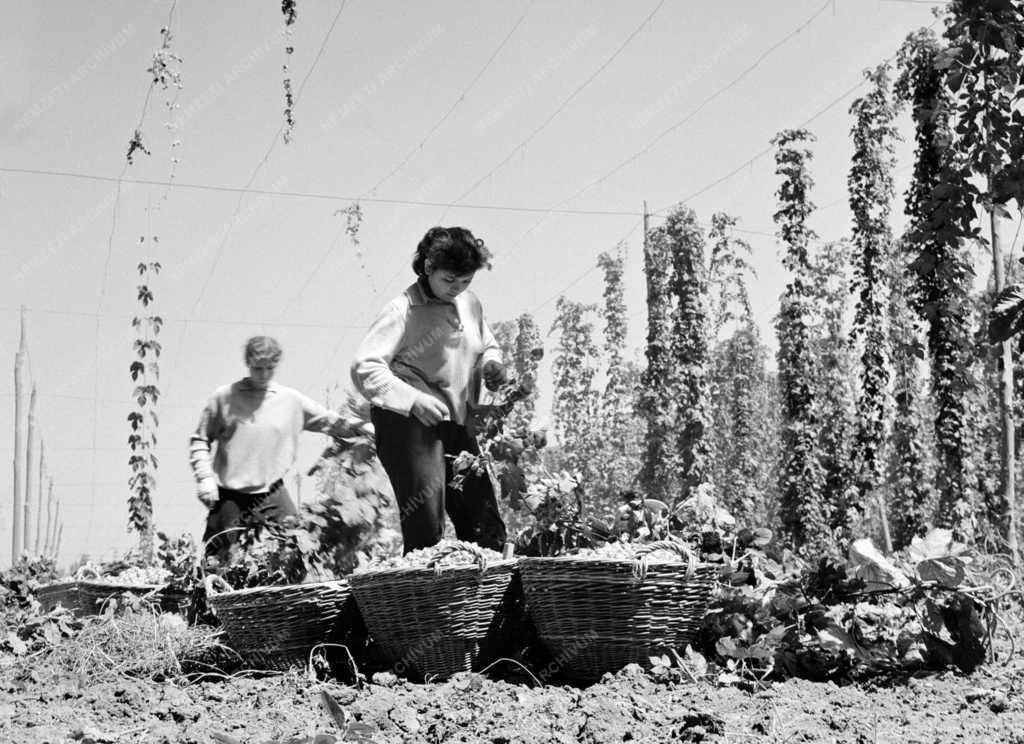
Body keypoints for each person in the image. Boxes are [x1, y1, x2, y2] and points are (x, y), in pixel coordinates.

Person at [351, 226, 508, 554]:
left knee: (484, 522)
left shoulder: (469, 304)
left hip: (457, 422)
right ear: (427, 268)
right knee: (426, 523)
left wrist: (492, 363)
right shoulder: (403, 310)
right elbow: (365, 367)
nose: (457, 289)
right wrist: (413, 400)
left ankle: (488, 599)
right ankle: (422, 599)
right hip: (408, 425)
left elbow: (487, 343)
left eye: (465, 281)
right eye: (449, 280)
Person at [189, 336, 345, 557]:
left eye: (269, 369)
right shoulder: (224, 398)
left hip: (271, 491)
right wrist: (204, 478)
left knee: (297, 546)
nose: (263, 375)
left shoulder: (290, 400)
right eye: (257, 368)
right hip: (230, 494)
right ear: (248, 364)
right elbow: (200, 440)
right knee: (217, 556)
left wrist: (364, 428)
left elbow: (328, 420)